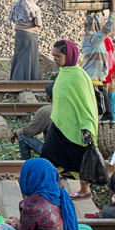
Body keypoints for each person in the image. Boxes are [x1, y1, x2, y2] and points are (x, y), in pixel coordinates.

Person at [40, 40, 99, 200]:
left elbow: (86, 103)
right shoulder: (65, 72)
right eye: (53, 56)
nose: (54, 59)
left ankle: (85, 190)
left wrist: (87, 126)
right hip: (61, 124)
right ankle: (56, 189)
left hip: (75, 128)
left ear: (69, 55)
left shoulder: (78, 76)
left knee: (78, 160)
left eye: (58, 56)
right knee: (49, 156)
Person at [9, 157, 80, 230]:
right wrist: (20, 224)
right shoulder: (63, 195)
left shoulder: (31, 205)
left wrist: (18, 227)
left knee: (3, 229)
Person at [9, 0, 43, 81]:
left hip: (19, 33)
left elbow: (12, 18)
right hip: (31, 35)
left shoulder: (16, 4)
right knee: (30, 57)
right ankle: (31, 79)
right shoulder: (34, 7)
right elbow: (38, 24)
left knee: (19, 55)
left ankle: (16, 78)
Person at [10, 84, 54, 160]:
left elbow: (29, 131)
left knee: (22, 138)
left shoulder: (46, 111)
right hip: (71, 154)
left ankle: (25, 165)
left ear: (49, 96)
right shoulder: (72, 109)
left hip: (55, 155)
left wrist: (16, 132)